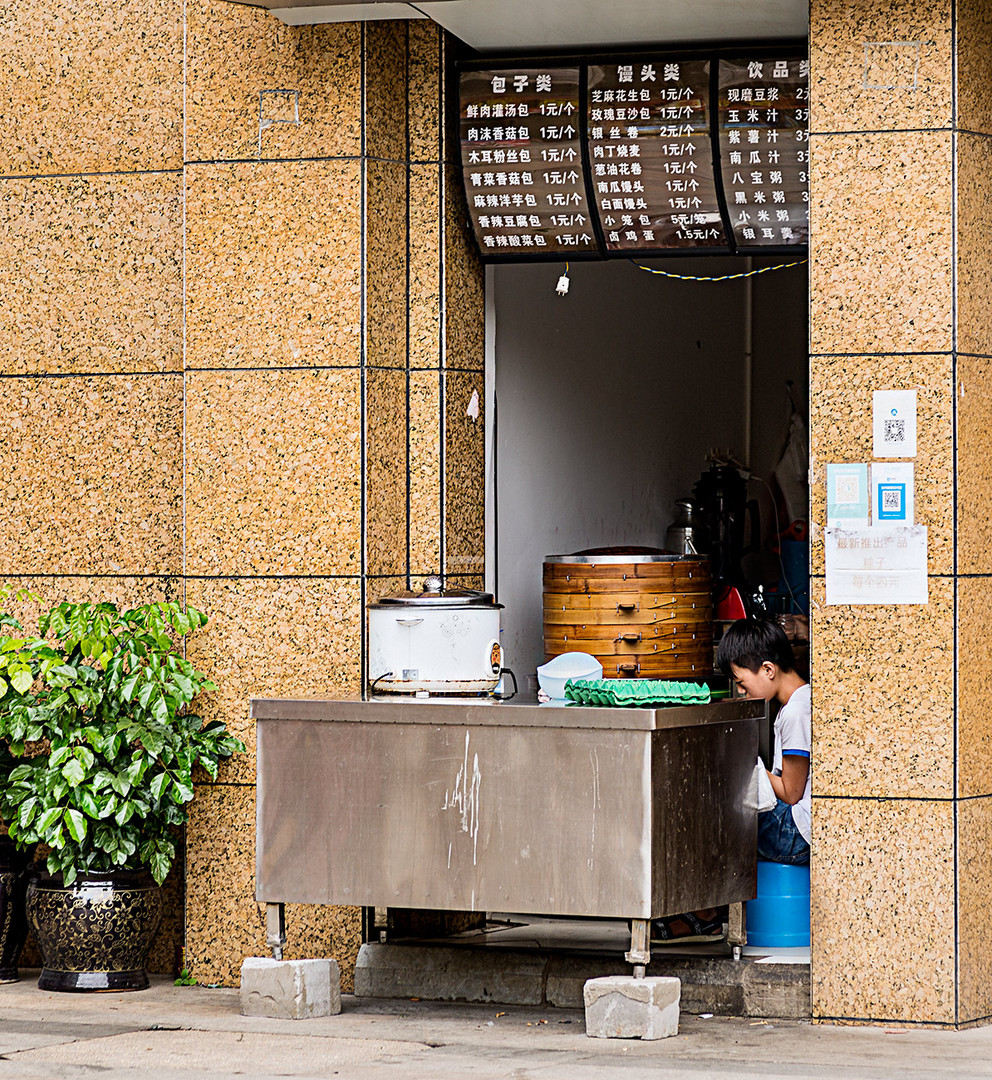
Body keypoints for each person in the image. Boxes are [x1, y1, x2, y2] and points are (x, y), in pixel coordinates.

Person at [652, 616, 810, 944]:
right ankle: (706, 910)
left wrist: (743, 765)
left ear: (768, 670)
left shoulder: (797, 712)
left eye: (741, 681)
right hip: (794, 825)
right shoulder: (796, 703)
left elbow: (791, 792)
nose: (741, 690)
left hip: (796, 833)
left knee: (715, 817)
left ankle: (706, 912)